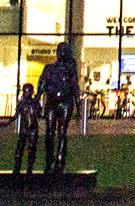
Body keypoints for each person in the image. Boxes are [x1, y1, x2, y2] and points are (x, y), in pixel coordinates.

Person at [40, 41, 79, 173]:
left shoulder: (70, 69)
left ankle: (60, 159)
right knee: (50, 132)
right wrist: (37, 98)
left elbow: (75, 86)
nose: (61, 53)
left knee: (62, 132)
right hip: (52, 102)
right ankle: (49, 159)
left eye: (64, 50)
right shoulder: (49, 68)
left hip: (65, 101)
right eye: (60, 50)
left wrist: (78, 106)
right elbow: (42, 83)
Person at [13, 84, 41, 175]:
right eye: (25, 91)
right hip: (24, 129)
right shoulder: (21, 103)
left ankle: (30, 167)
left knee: (32, 148)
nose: (27, 93)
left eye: (28, 91)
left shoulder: (35, 103)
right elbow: (16, 115)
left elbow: (39, 113)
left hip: (33, 129)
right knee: (20, 147)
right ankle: (17, 167)